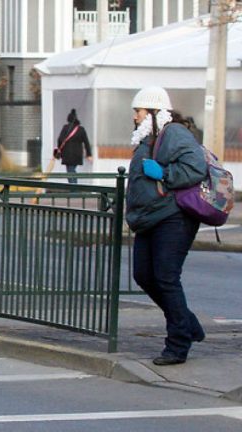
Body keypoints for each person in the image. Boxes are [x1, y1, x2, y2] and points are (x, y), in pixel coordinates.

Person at [126, 86, 207, 366]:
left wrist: (164, 173)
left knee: (165, 277)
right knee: (143, 275)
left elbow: (196, 167)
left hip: (173, 217)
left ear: (153, 111)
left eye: (138, 111)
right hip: (149, 217)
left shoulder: (173, 133)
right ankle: (188, 324)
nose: (135, 116)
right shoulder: (148, 137)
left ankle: (177, 344)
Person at [55, 109, 92, 183]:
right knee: (71, 169)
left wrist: (59, 149)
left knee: (70, 170)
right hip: (77, 154)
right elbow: (86, 142)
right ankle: (73, 186)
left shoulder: (65, 128)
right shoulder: (81, 129)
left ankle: (73, 187)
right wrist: (89, 154)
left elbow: (60, 139)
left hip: (67, 154)